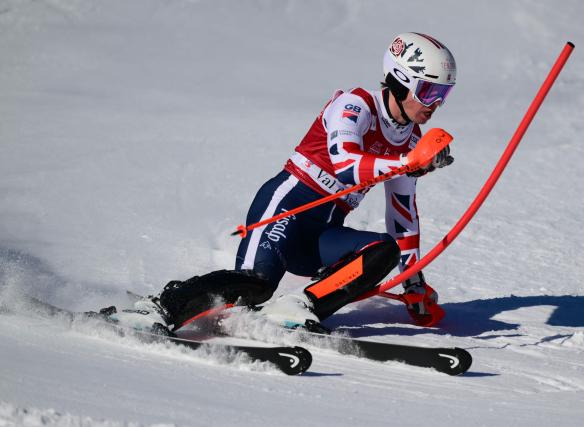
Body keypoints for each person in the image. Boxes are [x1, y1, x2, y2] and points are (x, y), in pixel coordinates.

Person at [106, 32, 457, 335]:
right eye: (427, 92)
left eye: (443, 95)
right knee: (257, 285)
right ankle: (160, 307)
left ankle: (298, 308)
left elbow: (402, 216)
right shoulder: (356, 104)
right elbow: (346, 164)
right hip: (287, 208)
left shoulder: (412, 140)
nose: (435, 105)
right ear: (398, 79)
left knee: (383, 250)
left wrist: (413, 282)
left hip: (321, 235)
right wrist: (407, 164)